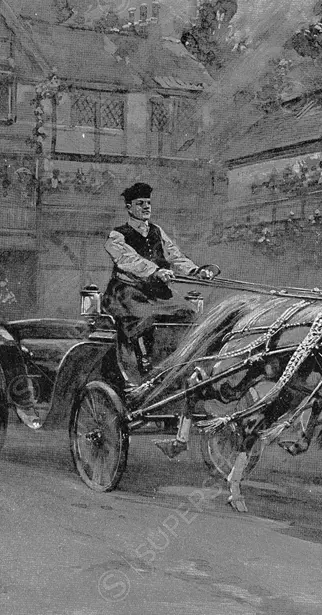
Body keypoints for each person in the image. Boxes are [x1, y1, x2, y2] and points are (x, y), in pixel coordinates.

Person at [102, 182, 217, 458]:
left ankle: (178, 368)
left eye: (148, 203)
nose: (146, 207)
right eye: (140, 203)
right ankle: (143, 367)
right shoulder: (118, 235)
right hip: (127, 292)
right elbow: (127, 260)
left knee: (189, 315)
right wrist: (154, 271)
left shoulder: (157, 232)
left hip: (157, 292)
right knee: (149, 318)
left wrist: (197, 271)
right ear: (129, 207)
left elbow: (175, 256)